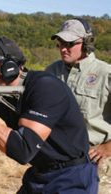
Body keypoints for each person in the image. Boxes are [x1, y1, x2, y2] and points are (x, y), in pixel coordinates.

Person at [0, 36, 98, 193]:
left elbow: (22, 150)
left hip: (71, 177)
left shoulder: (46, 88)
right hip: (40, 174)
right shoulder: (2, 92)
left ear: (8, 68)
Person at [45, 18, 111, 170]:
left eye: (69, 44)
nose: (63, 49)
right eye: (60, 43)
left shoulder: (105, 73)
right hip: (57, 156)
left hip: (93, 159)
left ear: (87, 43)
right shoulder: (52, 71)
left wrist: (108, 147)